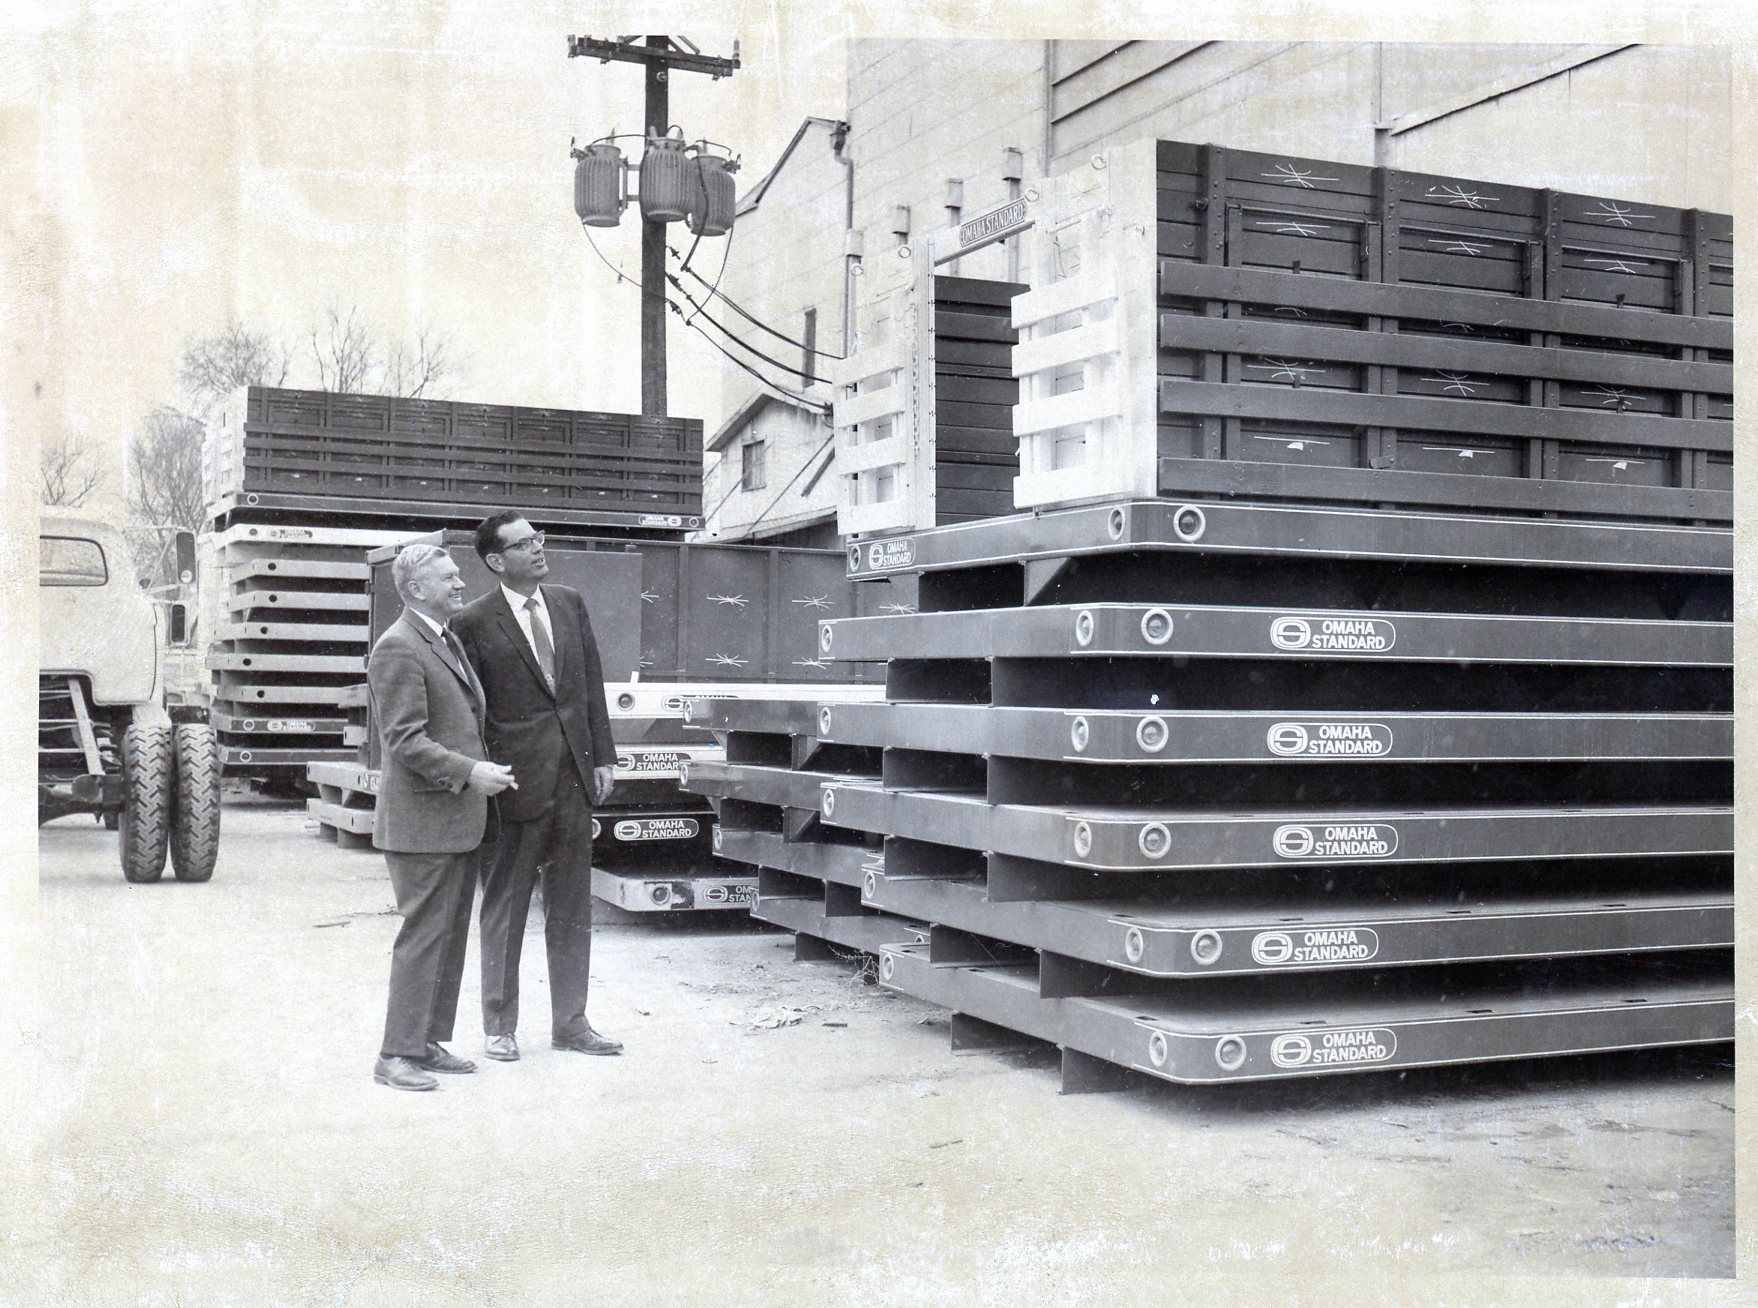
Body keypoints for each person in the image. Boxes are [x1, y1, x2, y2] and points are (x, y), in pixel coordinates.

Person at [452, 513, 621, 1062]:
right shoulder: (472, 622)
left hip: (573, 776)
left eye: (539, 538)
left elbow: (589, 685)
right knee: (505, 906)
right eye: (524, 544)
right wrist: (481, 774)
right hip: (513, 785)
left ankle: (571, 1023)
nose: (538, 549)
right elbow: (468, 711)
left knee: (573, 905)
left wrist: (603, 756)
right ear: (497, 560)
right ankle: (499, 1025)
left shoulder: (569, 603)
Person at [367, 543, 516, 1091]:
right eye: (448, 578)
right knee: (424, 936)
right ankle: (395, 1055)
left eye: (458, 575)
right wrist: (470, 771)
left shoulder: (441, 638)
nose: (460, 584)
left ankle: (426, 1043)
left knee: (449, 934)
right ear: (414, 589)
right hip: (422, 823)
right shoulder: (399, 648)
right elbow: (404, 740)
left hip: (451, 819)